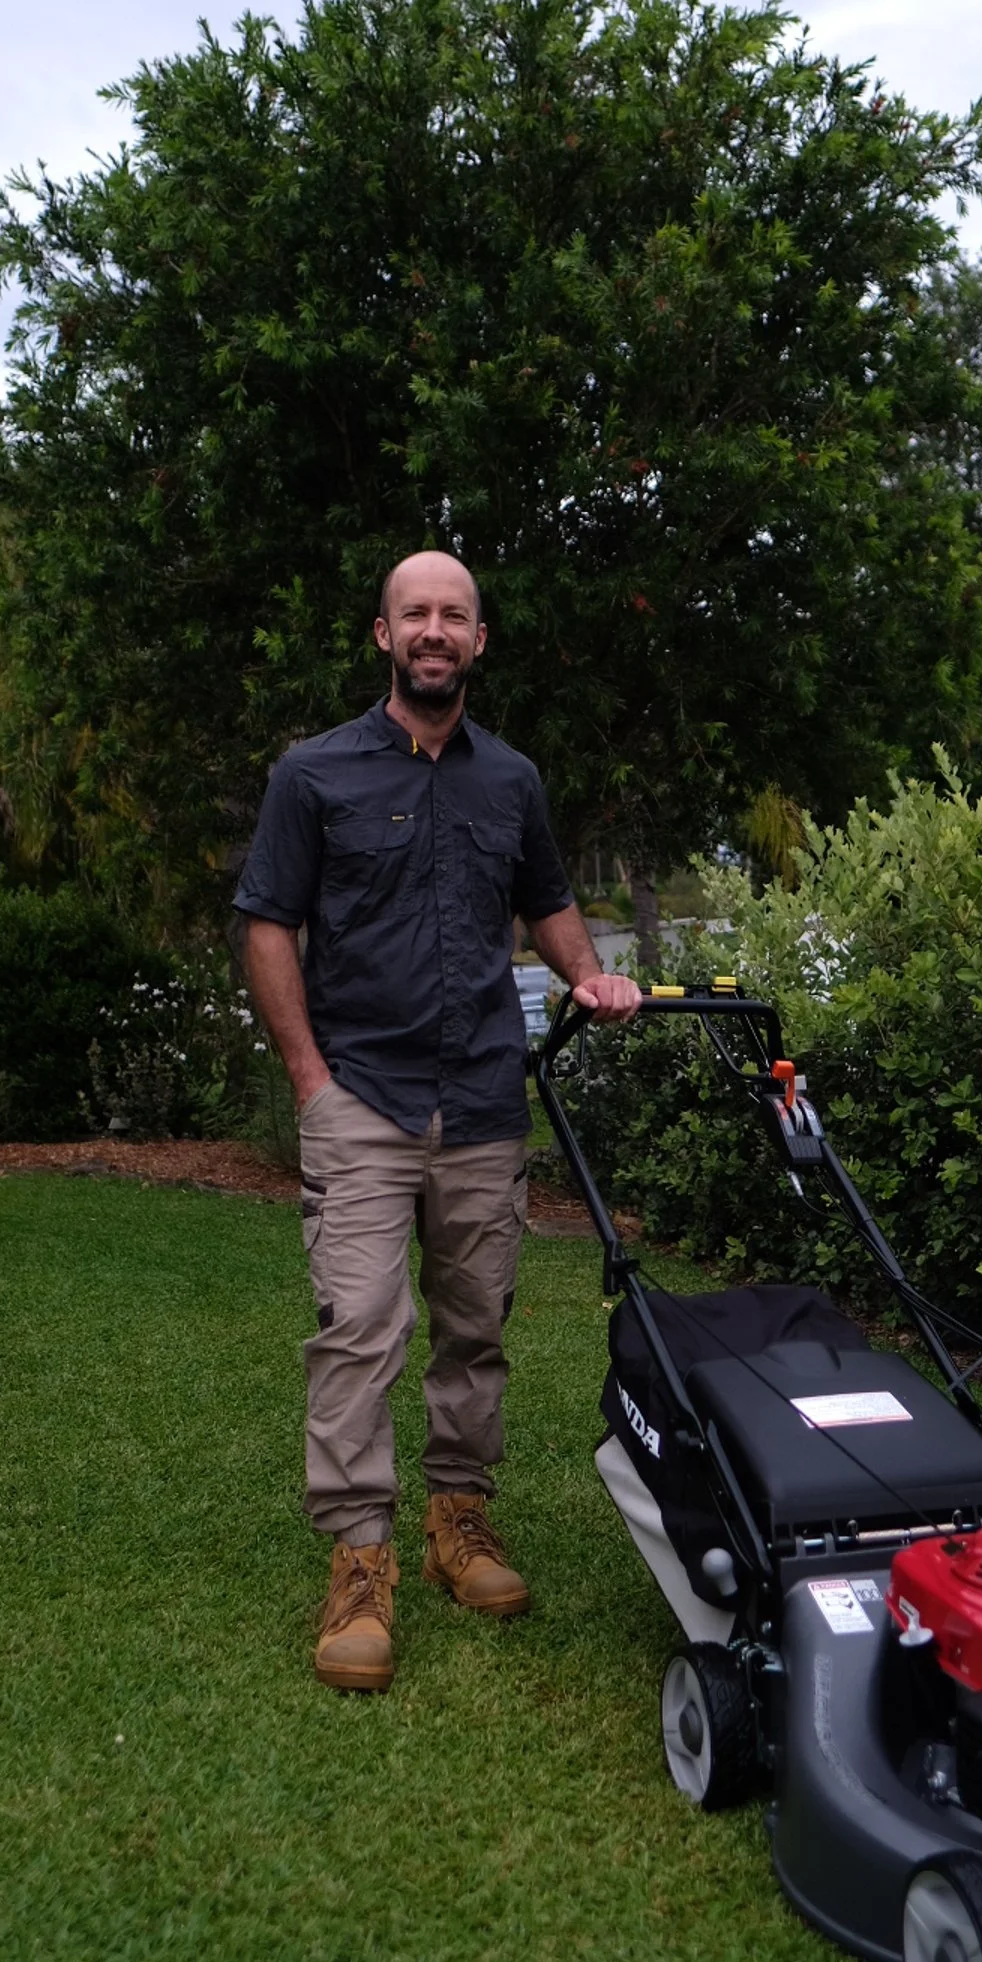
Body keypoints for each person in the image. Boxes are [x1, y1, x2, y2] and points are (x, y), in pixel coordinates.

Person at [236, 549, 642, 1692]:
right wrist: (310, 1078)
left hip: (481, 1104)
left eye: (452, 614)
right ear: (382, 636)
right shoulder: (313, 776)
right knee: (360, 1330)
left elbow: (549, 901)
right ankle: (360, 1562)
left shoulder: (510, 781)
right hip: (360, 1099)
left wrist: (587, 976)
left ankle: (459, 1522)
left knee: (475, 1329)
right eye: (414, 612)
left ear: (476, 642)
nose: (432, 630)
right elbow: (267, 923)